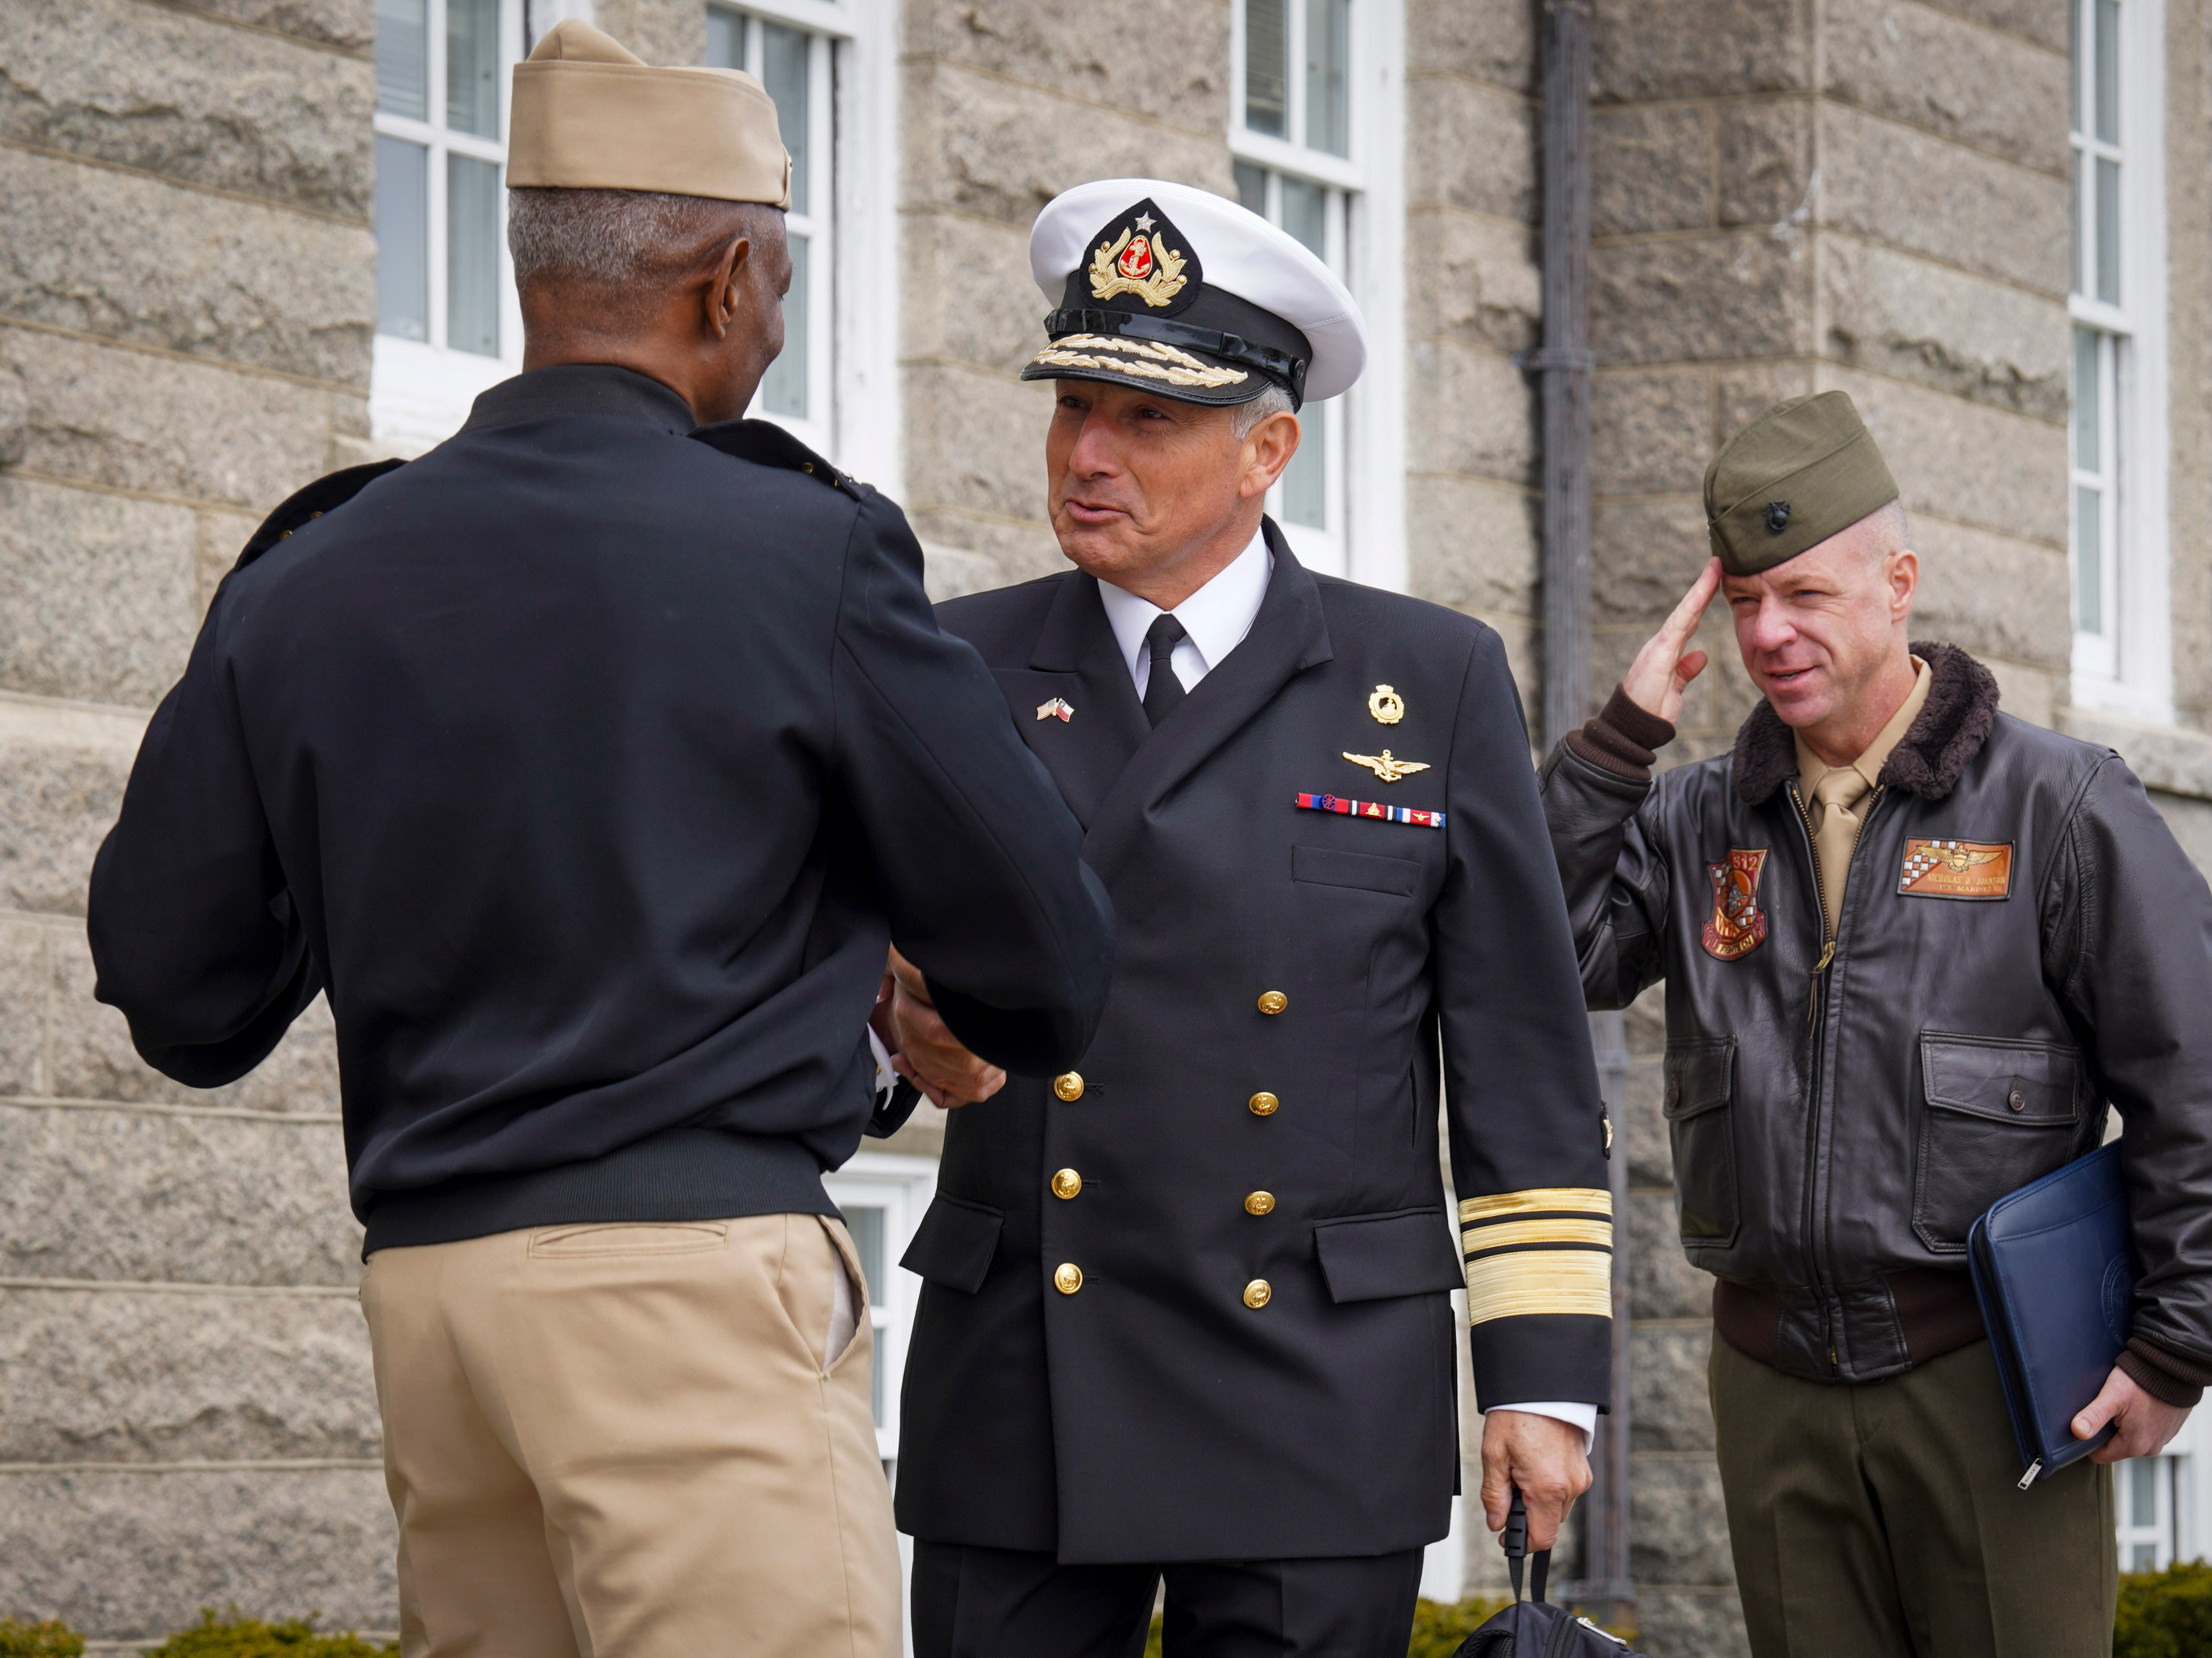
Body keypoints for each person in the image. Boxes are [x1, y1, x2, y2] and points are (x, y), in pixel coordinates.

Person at [84, 21, 1112, 1658]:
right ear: (721, 282)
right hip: (681, 1300)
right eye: (773, 287)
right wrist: (921, 989)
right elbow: (1050, 956)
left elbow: (173, 988)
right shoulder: (805, 551)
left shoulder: (309, 573)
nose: (773, 327)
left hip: (432, 1305)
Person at [876, 178, 1613, 1658]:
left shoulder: (1428, 679)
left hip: (1312, 1387)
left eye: (1146, 420)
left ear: (1268, 448)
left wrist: (1537, 1381)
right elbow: (858, 991)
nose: (1088, 454)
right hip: (1027, 1376)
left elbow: (1523, 1061)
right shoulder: (951, 663)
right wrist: (893, 1040)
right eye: (1074, 405)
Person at [1537, 391, 2212, 1656]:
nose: (1770, 632)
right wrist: (1620, 740)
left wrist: (2176, 1347)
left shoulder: (2062, 807)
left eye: (1806, 594)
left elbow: (2196, 1087)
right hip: (1770, 1383)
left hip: (1987, 1378)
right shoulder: (1698, 818)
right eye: (1746, 600)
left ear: (1899, 584)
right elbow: (1547, 956)